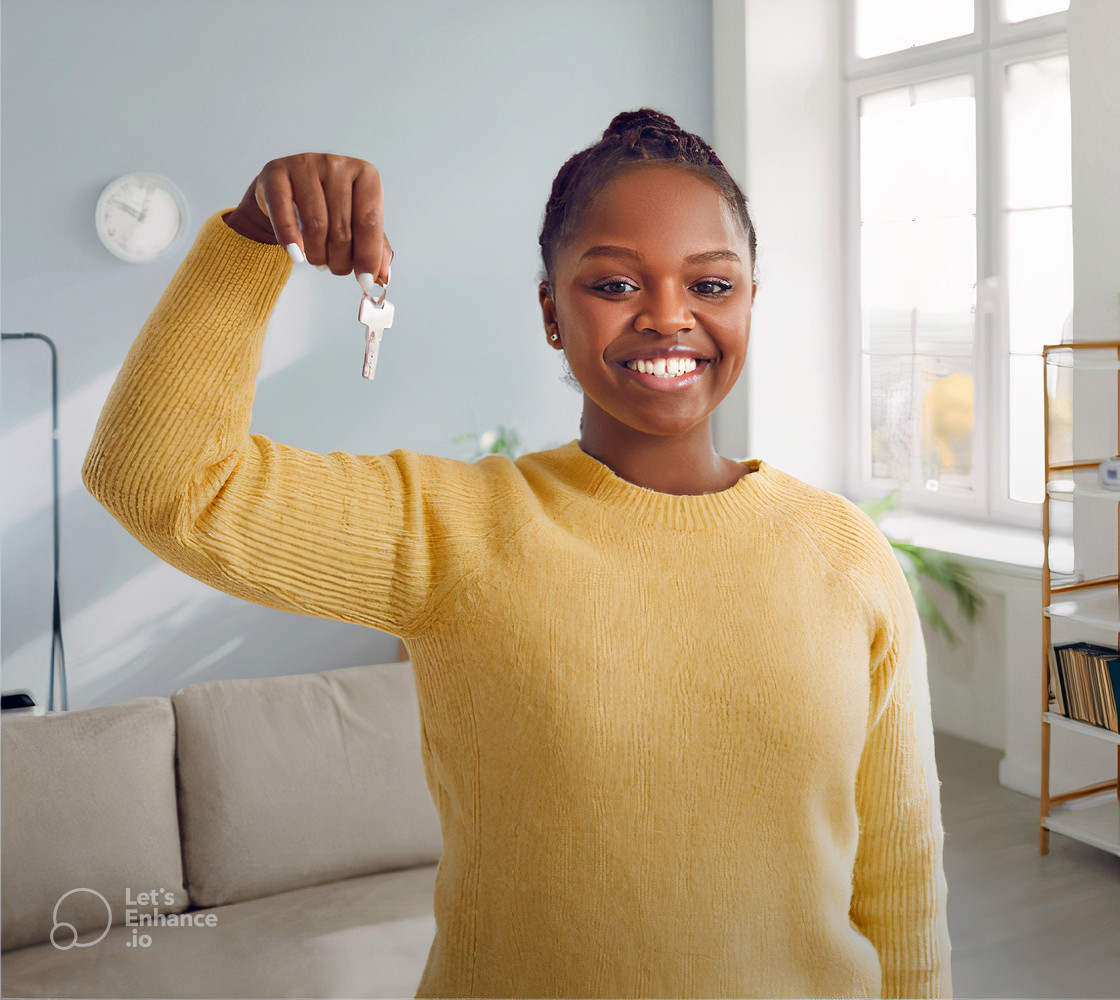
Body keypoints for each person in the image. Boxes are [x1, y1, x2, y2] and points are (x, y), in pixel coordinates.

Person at [83, 109, 953, 999]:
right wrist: (252, 242)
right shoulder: (455, 529)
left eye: (712, 286)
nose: (667, 317)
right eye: (614, 284)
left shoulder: (843, 549)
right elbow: (161, 480)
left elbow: (901, 873)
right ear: (550, 311)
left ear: (750, 303)